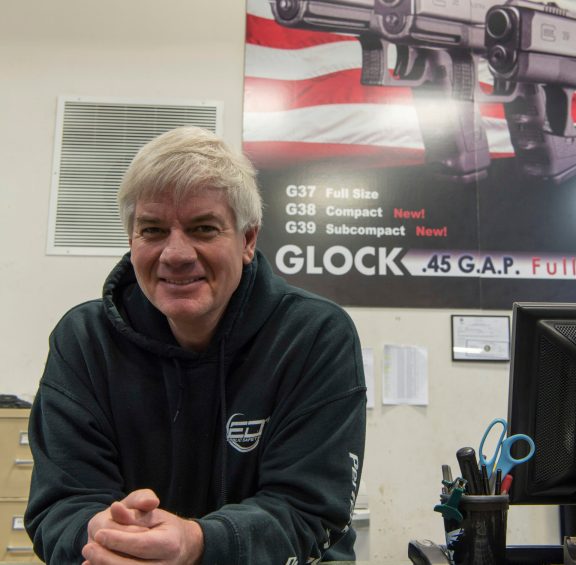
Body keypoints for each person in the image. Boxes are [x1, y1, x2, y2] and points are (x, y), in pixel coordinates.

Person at [24, 126, 367, 564]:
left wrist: (198, 544)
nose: (176, 253)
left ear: (247, 240)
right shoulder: (84, 341)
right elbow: (59, 505)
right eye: (152, 230)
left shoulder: (315, 337)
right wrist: (101, 532)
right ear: (131, 240)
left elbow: (310, 511)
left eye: (203, 229)